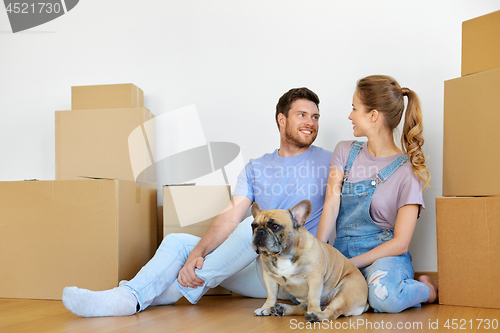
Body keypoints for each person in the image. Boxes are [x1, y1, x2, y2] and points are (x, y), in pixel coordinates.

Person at [62, 87, 333, 317]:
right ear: (282, 120)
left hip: (300, 274)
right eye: (302, 115)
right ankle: (129, 295)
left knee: (248, 225)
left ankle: (158, 294)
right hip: (262, 273)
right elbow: (229, 217)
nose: (311, 122)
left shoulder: (332, 161)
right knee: (179, 242)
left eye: (315, 117)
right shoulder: (255, 167)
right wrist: (197, 254)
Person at [316, 75, 438, 313]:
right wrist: (319, 256)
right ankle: (361, 293)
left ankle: (428, 290)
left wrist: (350, 266)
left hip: (384, 257)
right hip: (342, 252)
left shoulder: (407, 172)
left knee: (385, 297)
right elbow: (331, 205)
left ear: (373, 115)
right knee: (308, 296)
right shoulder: (344, 151)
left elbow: (401, 243)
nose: (350, 115)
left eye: (354, 108)